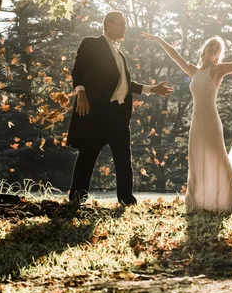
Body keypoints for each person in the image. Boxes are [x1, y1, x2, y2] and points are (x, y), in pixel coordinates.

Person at [142, 32, 232, 211]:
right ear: (204, 49)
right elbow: (175, 55)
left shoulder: (217, 70)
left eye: (217, 48)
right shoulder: (194, 71)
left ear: (219, 54)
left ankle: (228, 200)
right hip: (196, 121)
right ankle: (198, 201)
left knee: (217, 157)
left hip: (211, 120)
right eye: (211, 46)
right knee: (196, 159)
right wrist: (160, 40)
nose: (213, 49)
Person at [67, 11, 173, 205]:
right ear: (109, 24)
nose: (125, 27)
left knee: (124, 160)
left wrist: (152, 89)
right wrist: (80, 92)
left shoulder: (121, 55)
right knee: (87, 157)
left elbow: (126, 84)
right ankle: (76, 198)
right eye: (121, 24)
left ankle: (127, 200)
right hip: (97, 114)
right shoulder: (91, 43)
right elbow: (78, 68)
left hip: (119, 115)